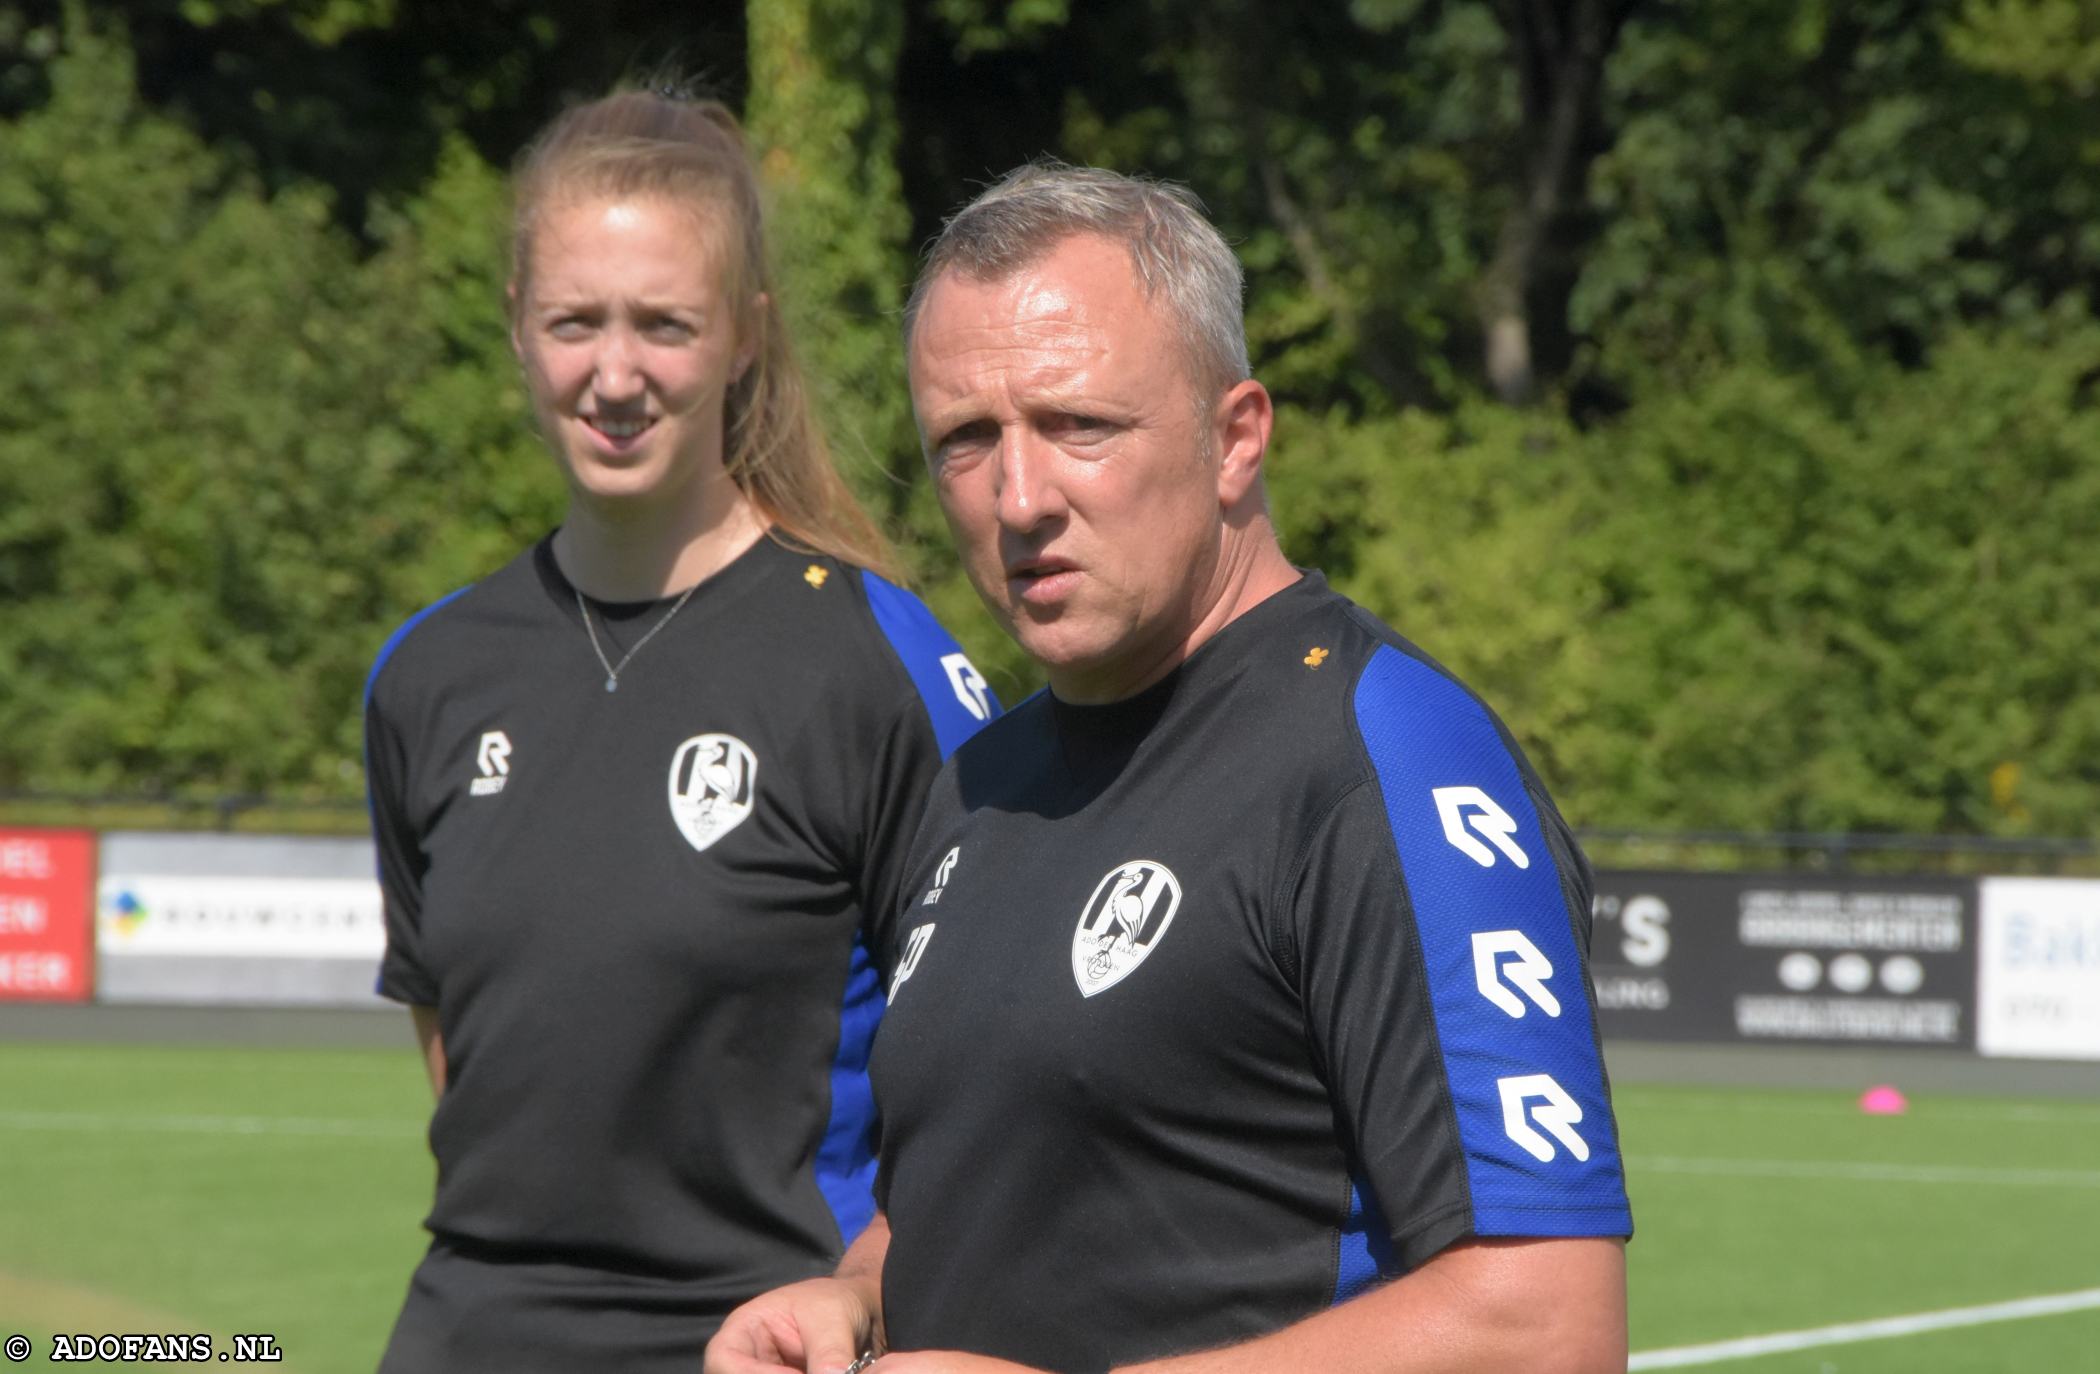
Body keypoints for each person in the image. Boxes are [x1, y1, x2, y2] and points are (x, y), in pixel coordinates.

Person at [708, 163, 1631, 1374]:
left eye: (1079, 426)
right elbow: (993, 1192)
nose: (1019, 495)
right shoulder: (979, 780)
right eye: (967, 440)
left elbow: (1547, 1326)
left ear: (1235, 437)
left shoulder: (1382, 757)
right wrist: (855, 1295)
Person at [363, 88, 998, 1373]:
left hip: (759, 1343)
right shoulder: (425, 675)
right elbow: (463, 1065)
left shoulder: (876, 664)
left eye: (664, 325)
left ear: (744, 338)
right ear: (517, 333)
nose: (615, 375)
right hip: (468, 1334)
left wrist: (867, 1301)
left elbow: (1000, 1065)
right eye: (573, 323)